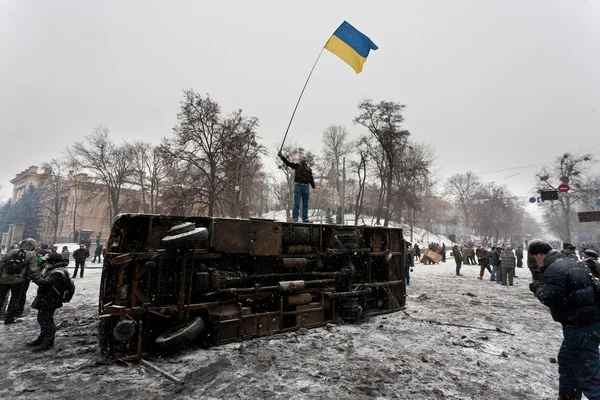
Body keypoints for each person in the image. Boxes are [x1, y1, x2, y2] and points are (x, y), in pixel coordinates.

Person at [528, 239, 600, 399]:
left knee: (590, 378)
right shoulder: (571, 262)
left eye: (534, 257)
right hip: (586, 324)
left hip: (579, 329)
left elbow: (551, 299)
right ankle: (569, 396)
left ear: (540, 254)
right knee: (567, 365)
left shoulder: (555, 269)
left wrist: (537, 288)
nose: (535, 261)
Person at [27, 252, 70, 351]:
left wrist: (35, 275)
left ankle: (48, 342)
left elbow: (45, 283)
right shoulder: (55, 269)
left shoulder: (58, 272)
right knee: (42, 318)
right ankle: (42, 338)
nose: (45, 263)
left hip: (50, 299)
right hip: (48, 298)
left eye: (46, 261)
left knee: (47, 320)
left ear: (52, 261)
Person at [0, 238, 39, 324]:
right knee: (15, 299)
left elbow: (1, 265)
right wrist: (30, 279)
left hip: (4, 280)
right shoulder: (32, 255)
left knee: (1, 298)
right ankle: (10, 318)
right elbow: (32, 270)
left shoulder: (10, 252)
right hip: (19, 281)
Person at [278, 151, 316, 222]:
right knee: (296, 202)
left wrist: (314, 187)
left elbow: (311, 179)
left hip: (306, 187)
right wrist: (281, 157)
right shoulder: (297, 166)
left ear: (306, 160)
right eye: (302, 158)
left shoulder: (309, 169)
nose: (304, 159)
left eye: (305, 158)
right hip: (298, 186)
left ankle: (305, 218)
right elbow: (288, 163)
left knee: (305, 204)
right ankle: (295, 217)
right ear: (300, 159)